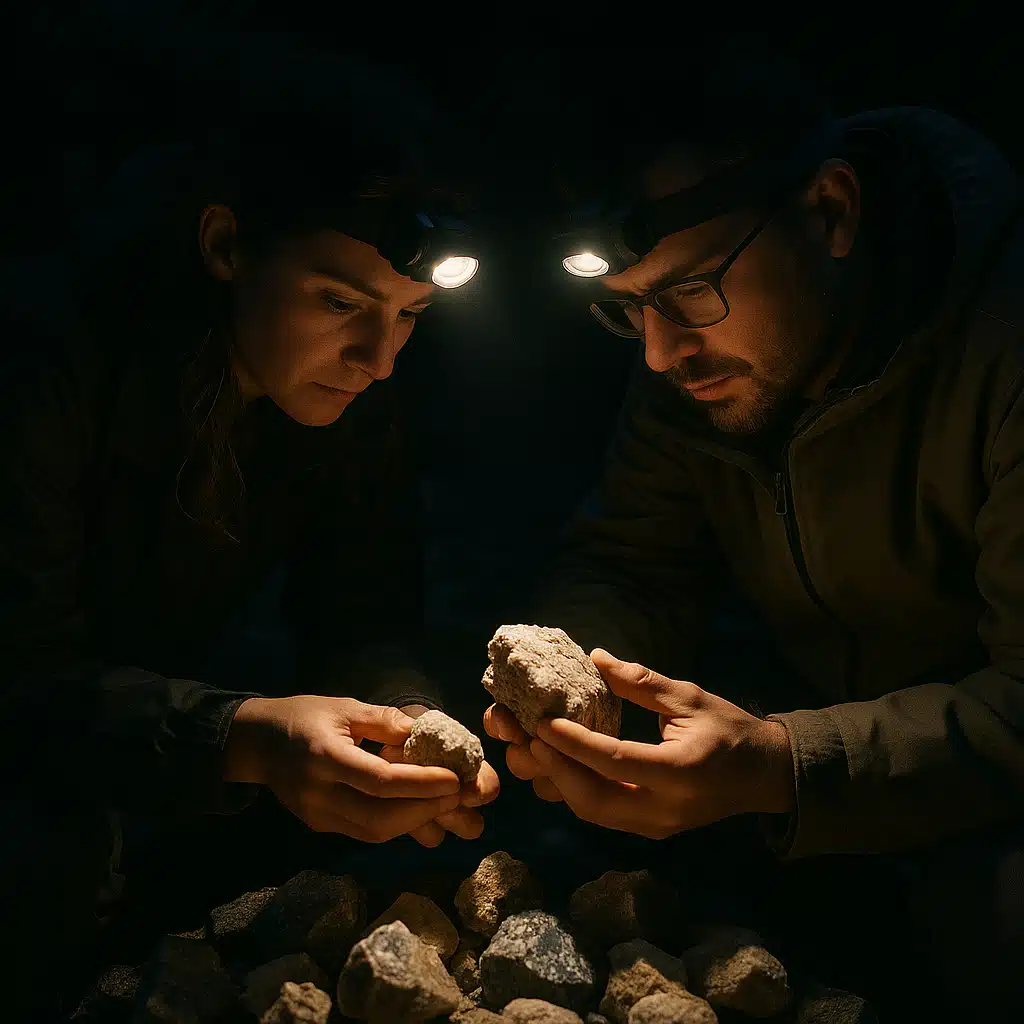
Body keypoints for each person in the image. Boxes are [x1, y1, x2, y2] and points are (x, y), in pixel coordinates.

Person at [484, 45, 1023, 1020]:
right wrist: (571, 695)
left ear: (829, 211)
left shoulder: (1003, 343)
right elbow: (631, 561)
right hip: (810, 748)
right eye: (627, 309)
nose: (658, 353)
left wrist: (784, 765)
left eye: (688, 292)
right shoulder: (703, 361)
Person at [0, 42, 497, 1011]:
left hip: (141, 722)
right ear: (224, 244)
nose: (379, 357)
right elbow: (18, 678)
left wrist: (399, 714)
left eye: (411, 315)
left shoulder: (346, 391)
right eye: (340, 301)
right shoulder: (48, 359)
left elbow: (365, 606)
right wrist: (247, 739)